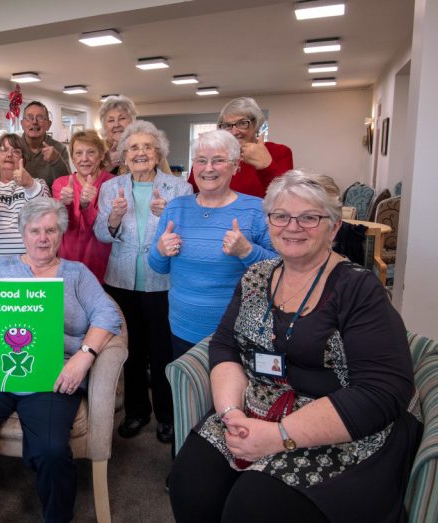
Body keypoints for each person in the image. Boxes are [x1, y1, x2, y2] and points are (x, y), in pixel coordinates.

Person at [168, 170, 422, 522]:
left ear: (333, 228)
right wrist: (231, 413)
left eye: (309, 217)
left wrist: (279, 436)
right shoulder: (256, 276)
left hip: (332, 425)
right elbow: (225, 346)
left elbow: (383, 391)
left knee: (252, 508)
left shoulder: (358, 289)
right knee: (188, 484)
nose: (292, 227)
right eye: (281, 216)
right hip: (255, 406)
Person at [0, 198, 122, 523]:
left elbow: (108, 315)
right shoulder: (1, 268)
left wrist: (83, 358)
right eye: (35, 230)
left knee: (51, 450)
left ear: (60, 234)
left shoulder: (77, 274)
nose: (43, 238)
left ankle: (57, 517)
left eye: (50, 230)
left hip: (53, 374)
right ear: (23, 233)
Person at [94, 120, 192, 443]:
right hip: (121, 280)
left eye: (147, 147)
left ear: (158, 152)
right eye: (133, 147)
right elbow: (100, 234)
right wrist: (114, 217)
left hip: (162, 281)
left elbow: (188, 237)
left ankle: (167, 415)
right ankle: (137, 412)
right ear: (123, 155)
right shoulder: (110, 187)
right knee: (131, 351)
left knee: (163, 351)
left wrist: (169, 218)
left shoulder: (180, 189)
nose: (140, 153)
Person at [148, 130, 276, 358]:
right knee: (188, 392)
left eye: (218, 160)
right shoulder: (176, 207)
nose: (208, 168)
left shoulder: (257, 209)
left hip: (237, 331)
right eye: (201, 161)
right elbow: (158, 267)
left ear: (236, 166)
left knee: (230, 394)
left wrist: (247, 251)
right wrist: (160, 250)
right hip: (182, 327)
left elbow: (280, 269)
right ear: (194, 166)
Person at [0, 133, 49, 277]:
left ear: (23, 160)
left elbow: (45, 212)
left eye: (16, 151)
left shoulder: (38, 184)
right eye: (3, 149)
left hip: (31, 271)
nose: (9, 154)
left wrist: (29, 184)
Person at [187, 97, 293, 198]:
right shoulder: (211, 154)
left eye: (242, 123)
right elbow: (193, 192)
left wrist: (267, 166)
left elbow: (288, 198)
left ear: (256, 124)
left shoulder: (279, 152)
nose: (234, 132)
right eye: (227, 125)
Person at [51, 129, 113, 283]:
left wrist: (86, 206)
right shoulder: (61, 184)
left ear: (101, 155)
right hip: (68, 263)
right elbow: (63, 225)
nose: (84, 159)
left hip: (103, 267)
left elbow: (106, 228)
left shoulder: (113, 183)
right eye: (78, 153)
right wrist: (64, 204)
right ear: (72, 157)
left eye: (90, 152)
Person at [98, 95, 171, 175]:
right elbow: (87, 183)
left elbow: (169, 182)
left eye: (122, 118)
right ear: (104, 126)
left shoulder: (152, 147)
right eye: (111, 120)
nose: (116, 125)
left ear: (132, 121)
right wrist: (108, 166)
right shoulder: (96, 149)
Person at [19, 101, 71, 189]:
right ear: (22, 124)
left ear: (49, 125)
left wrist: (56, 161)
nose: (34, 122)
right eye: (29, 117)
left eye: (40, 118)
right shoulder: (13, 147)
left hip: (49, 201)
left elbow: (67, 184)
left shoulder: (59, 148)